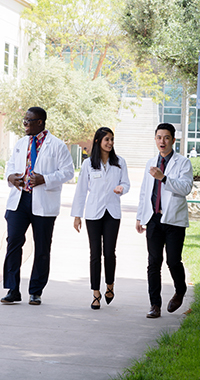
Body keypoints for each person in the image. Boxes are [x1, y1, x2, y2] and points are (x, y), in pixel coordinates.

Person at [2, 107, 74, 305]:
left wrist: (46, 179)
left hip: (43, 201)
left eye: (28, 121)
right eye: (24, 120)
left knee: (42, 247)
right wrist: (10, 177)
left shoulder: (57, 146)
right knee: (13, 244)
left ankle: (36, 290)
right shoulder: (20, 143)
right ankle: (12, 289)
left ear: (40, 122)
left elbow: (68, 172)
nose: (24, 124)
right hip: (19, 200)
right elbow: (10, 165)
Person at [136, 123, 193, 319]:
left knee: (173, 261)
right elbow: (145, 192)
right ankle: (155, 305)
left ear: (173, 140)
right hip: (153, 218)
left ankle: (180, 289)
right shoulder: (150, 163)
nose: (162, 141)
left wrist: (164, 178)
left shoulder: (183, 163)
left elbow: (185, 188)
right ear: (155, 139)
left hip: (174, 220)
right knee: (153, 262)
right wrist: (139, 216)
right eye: (159, 137)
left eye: (166, 137)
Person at [72, 127, 130, 310]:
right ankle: (96, 293)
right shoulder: (88, 164)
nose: (110, 143)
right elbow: (81, 190)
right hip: (93, 213)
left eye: (112, 139)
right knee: (95, 253)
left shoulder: (120, 162)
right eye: (107, 139)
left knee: (110, 252)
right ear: (98, 141)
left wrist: (122, 188)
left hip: (112, 213)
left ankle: (110, 285)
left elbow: (126, 183)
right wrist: (77, 215)